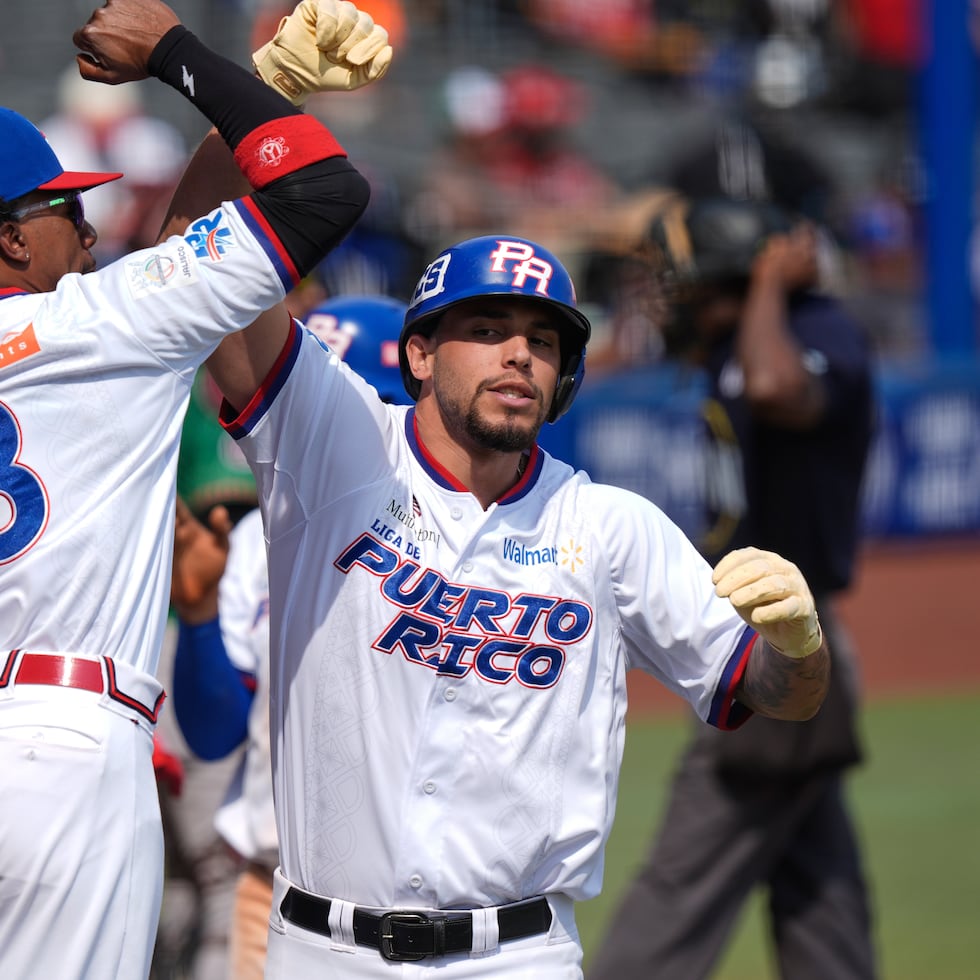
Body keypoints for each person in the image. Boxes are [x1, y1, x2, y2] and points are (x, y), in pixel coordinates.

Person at [173, 105, 835, 967]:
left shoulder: (610, 528)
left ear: (563, 378)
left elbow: (779, 692)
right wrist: (247, 104)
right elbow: (187, 263)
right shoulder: (334, 445)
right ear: (418, 354)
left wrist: (801, 644)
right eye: (485, 331)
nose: (517, 354)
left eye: (542, 340)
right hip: (318, 948)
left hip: (514, 955)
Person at [0, 0, 391, 975]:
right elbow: (317, 191)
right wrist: (183, 59)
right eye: (67, 212)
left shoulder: (102, 324)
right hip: (62, 747)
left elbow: (178, 253)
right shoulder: (99, 326)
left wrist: (275, 87)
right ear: (11, 242)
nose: (90, 237)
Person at [587, 195, 877, 979]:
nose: (673, 287)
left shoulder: (812, 331)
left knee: (684, 878)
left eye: (689, 274)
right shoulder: (728, 340)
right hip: (750, 640)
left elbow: (782, 389)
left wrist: (767, 287)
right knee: (817, 877)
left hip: (789, 642)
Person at [169, 294, 412, 980]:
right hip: (281, 892)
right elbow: (216, 735)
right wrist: (198, 616)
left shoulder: (468, 547)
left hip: (439, 905)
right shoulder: (256, 541)